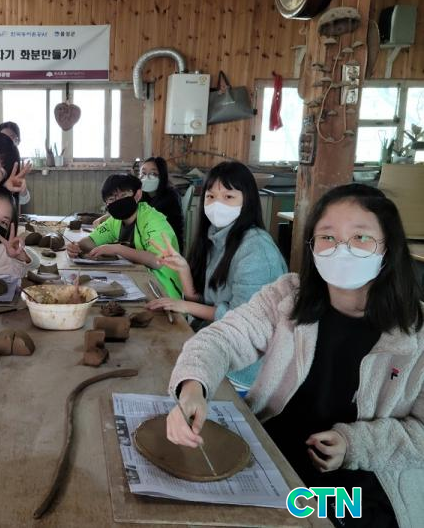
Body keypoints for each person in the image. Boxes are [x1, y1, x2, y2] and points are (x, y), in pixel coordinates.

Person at [166, 184, 423, 528]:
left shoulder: (416, 333)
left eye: (361, 237)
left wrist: (353, 444)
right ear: (312, 246)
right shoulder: (287, 296)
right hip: (274, 457)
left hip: (363, 486)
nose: (342, 249)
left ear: (388, 248)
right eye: (327, 237)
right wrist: (193, 386)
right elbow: (223, 338)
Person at [146, 161, 286, 392]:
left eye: (228, 197)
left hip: (244, 370)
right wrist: (184, 270)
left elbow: (244, 322)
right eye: (210, 196)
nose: (217, 204)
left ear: (247, 200)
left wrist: (185, 306)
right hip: (214, 347)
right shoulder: (217, 237)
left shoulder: (257, 251)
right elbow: (209, 302)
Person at [66, 174, 183, 299]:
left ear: (137, 195)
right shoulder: (116, 221)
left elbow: (158, 261)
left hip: (163, 291)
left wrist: (118, 249)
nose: (118, 201)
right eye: (112, 199)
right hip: (137, 282)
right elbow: (91, 241)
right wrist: (77, 246)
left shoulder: (153, 220)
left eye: (123, 195)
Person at [138, 157, 184, 248]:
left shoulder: (170, 197)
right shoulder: (143, 195)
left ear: (162, 176)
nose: (147, 177)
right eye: (143, 173)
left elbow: (143, 219)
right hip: (150, 242)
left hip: (168, 247)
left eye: (153, 174)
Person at [0, 121, 31, 207]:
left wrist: (22, 188)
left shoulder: (16, 162)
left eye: (11, 137)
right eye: (2, 137)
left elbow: (24, 200)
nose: (6, 141)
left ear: (18, 141)